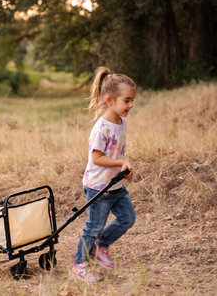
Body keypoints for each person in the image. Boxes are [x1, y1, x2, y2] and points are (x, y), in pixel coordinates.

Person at [70, 66, 137, 282]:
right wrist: (120, 162)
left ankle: (99, 247)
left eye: (131, 100)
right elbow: (96, 158)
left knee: (127, 218)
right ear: (110, 100)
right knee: (94, 226)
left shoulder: (121, 123)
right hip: (98, 186)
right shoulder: (102, 129)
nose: (130, 105)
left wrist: (122, 170)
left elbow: (116, 153)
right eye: (126, 100)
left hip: (115, 185)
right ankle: (79, 264)